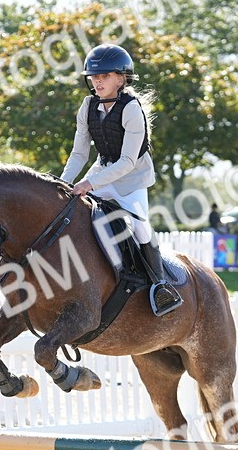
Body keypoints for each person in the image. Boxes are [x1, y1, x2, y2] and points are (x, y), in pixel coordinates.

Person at [60, 44, 182, 316]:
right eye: (93, 76)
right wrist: (62, 183)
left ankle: (160, 285)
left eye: (104, 75)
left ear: (121, 78)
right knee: (73, 212)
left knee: (139, 227)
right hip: (101, 171)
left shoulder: (131, 109)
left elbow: (127, 162)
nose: (97, 81)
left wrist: (89, 184)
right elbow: (79, 153)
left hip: (132, 178)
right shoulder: (88, 105)